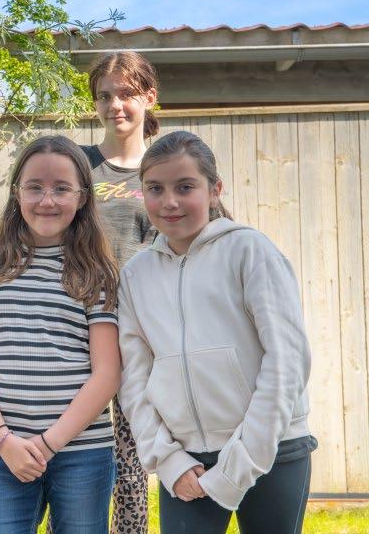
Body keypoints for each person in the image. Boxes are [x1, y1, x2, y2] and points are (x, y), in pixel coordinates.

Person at [117, 131, 315, 534]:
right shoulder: (136, 275)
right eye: (155, 188)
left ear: (214, 190)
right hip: (186, 460)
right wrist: (168, 460)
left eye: (184, 187)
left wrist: (236, 467)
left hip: (272, 451)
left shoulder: (250, 251)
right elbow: (132, 378)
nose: (169, 201)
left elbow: (287, 360)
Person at [0, 135, 121, 533]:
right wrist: (2, 438)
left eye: (62, 189)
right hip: (4, 451)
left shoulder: (96, 273)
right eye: (34, 187)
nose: (47, 200)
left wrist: (49, 444)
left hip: (82, 452)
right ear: (16, 193)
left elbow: (107, 374)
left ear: (83, 197)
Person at [82, 50, 161, 533]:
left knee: (131, 459)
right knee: (71, 448)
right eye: (105, 95)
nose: (115, 105)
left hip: (140, 329)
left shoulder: (164, 167)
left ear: (149, 97)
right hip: (77, 327)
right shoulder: (80, 164)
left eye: (127, 94)